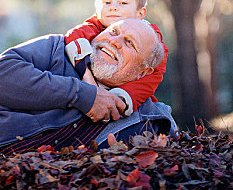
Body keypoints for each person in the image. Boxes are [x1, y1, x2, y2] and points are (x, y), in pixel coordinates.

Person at [0, 19, 177, 156]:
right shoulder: (57, 48)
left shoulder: (146, 120)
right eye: (113, 31)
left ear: (143, 72)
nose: (114, 41)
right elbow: (3, 73)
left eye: (129, 42)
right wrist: (82, 95)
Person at [65, 0, 169, 116]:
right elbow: (73, 37)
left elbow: (149, 81)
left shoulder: (151, 40)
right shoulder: (95, 24)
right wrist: (87, 78)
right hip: (90, 88)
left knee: (154, 113)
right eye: (107, 2)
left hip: (127, 99)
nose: (113, 7)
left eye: (123, 3)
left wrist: (119, 100)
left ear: (140, 13)